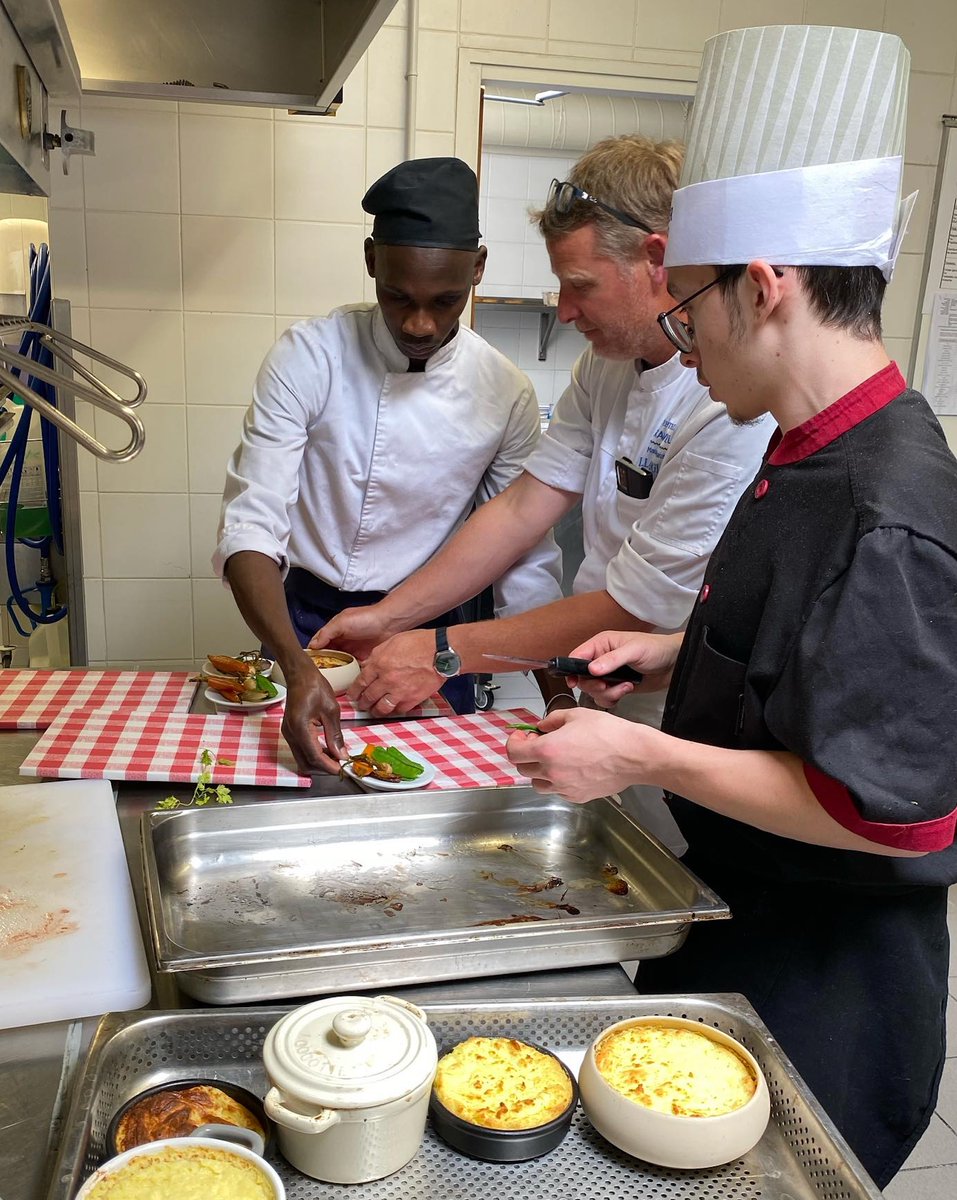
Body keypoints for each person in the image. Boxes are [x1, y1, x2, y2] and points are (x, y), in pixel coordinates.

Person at [505, 25, 957, 1188]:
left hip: (827, 989)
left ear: (764, 288)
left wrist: (640, 753)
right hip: (745, 919)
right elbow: (812, 670)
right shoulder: (806, 454)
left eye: (689, 305)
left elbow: (886, 818)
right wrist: (675, 657)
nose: (678, 336)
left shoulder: (885, 509)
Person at [312, 134, 770, 846]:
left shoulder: (724, 400)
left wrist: (440, 650)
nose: (563, 310)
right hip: (601, 692)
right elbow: (524, 508)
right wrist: (389, 617)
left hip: (683, 721)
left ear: (656, 260)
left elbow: (637, 608)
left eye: (579, 286)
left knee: (676, 880)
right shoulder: (606, 367)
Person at [213, 157, 563, 773]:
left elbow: (525, 561)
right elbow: (251, 524)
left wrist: (560, 698)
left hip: (423, 632)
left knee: (428, 795)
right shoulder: (308, 357)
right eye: (397, 297)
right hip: (303, 623)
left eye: (447, 300)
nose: (420, 323)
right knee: (294, 782)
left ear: (478, 269)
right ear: (372, 260)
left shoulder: (504, 391)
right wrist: (294, 663)